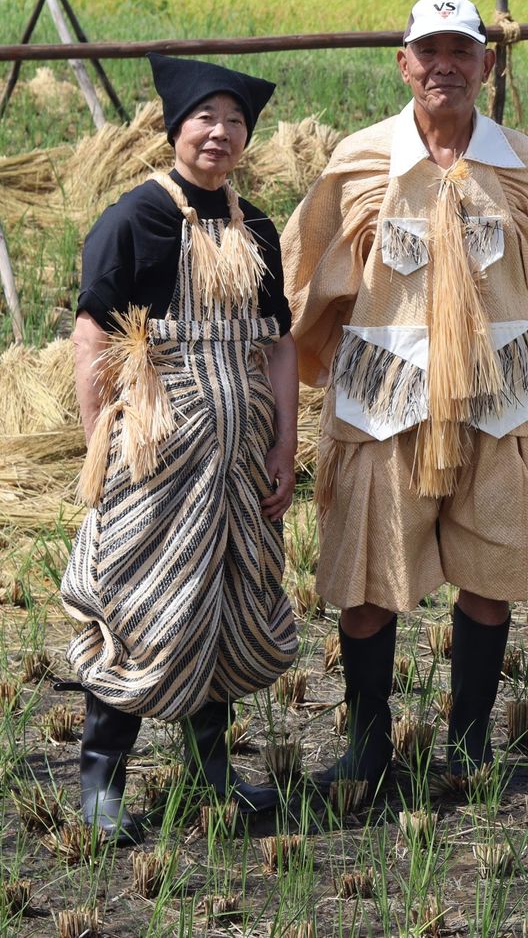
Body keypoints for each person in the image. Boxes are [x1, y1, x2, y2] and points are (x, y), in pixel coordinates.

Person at [281, 0, 528, 789]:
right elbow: (305, 271)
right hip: (385, 393)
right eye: (429, 51)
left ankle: (470, 744)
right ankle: (369, 744)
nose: (445, 65)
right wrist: (316, 356)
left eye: (461, 51)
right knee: (368, 575)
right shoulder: (362, 158)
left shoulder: (522, 162)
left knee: (490, 573)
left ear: (486, 63)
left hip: (497, 392)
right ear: (403, 63)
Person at [61, 53, 299, 844]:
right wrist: (102, 442)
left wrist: (284, 442)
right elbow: (91, 336)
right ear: (175, 128)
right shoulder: (133, 219)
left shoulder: (255, 226)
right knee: (136, 598)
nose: (220, 133)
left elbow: (279, 343)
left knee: (221, 600)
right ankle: (101, 780)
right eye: (206, 118)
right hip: (156, 454)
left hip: (238, 458)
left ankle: (211, 771)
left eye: (235, 121)